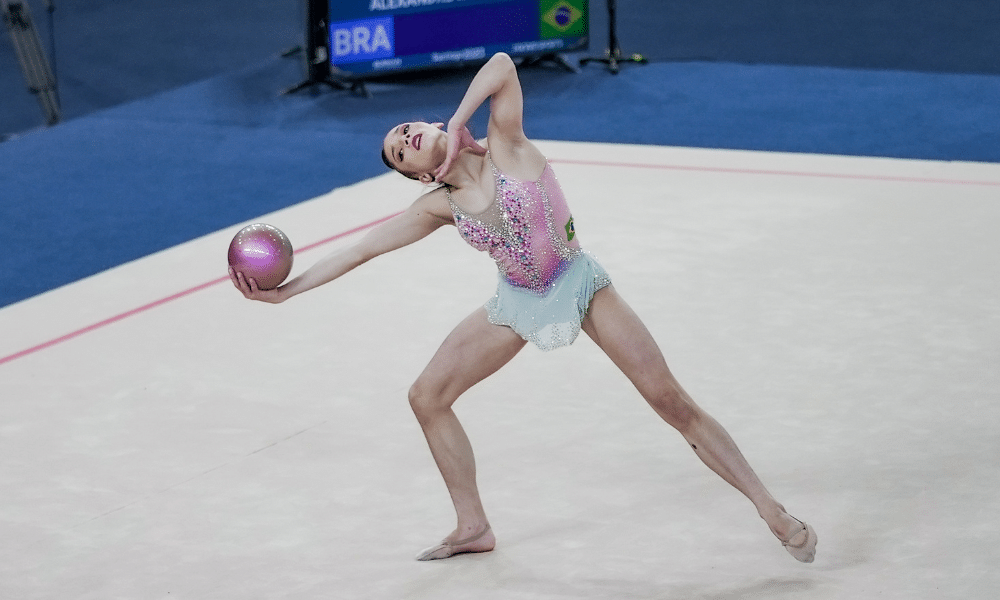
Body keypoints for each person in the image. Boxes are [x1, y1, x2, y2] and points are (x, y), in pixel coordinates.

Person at [230, 52, 817, 563]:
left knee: (669, 400)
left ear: (433, 125)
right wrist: (287, 290)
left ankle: (771, 510)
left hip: (578, 283)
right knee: (426, 396)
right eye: (397, 151)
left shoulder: (506, 142)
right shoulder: (440, 206)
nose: (404, 138)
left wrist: (460, 121)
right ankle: (473, 527)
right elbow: (362, 250)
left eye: (405, 128)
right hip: (518, 299)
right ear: (415, 176)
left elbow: (504, 66)